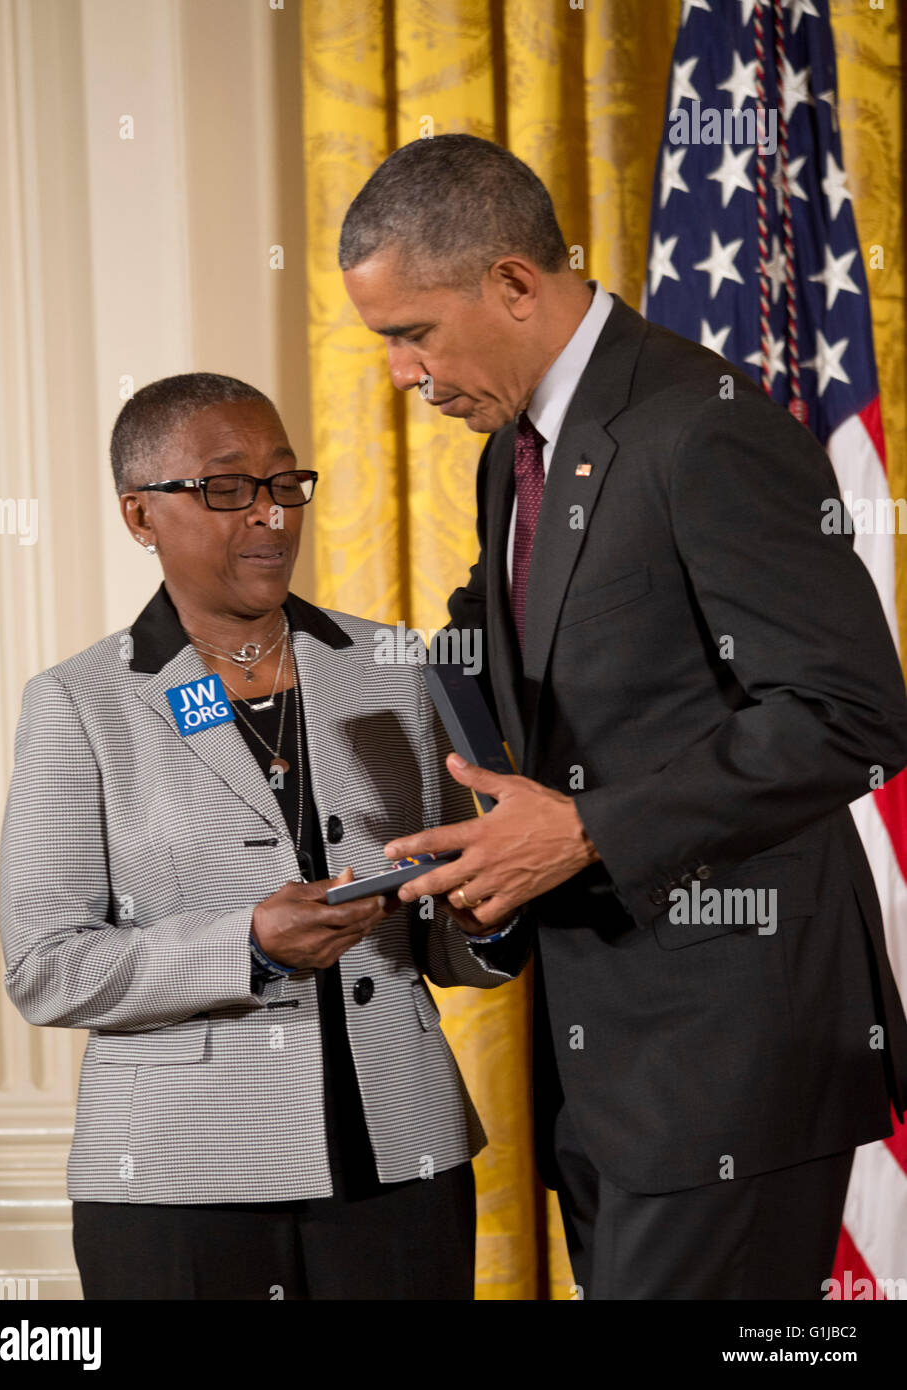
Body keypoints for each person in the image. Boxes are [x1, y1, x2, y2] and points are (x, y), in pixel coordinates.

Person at [339, 133, 907, 1299]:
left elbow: (850, 712)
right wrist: (289, 666)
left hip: (731, 1053)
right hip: (612, 1068)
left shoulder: (703, 429)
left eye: (413, 333)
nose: (402, 373)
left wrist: (590, 830)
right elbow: (492, 647)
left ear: (511, 283)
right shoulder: (522, 446)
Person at [0, 371, 527, 1301]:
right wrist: (247, 944)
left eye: (286, 484)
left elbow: (447, 937)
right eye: (228, 488)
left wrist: (484, 910)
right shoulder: (79, 704)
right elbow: (46, 966)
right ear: (140, 514)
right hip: (178, 1189)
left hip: (399, 1158)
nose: (271, 516)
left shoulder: (394, 668)